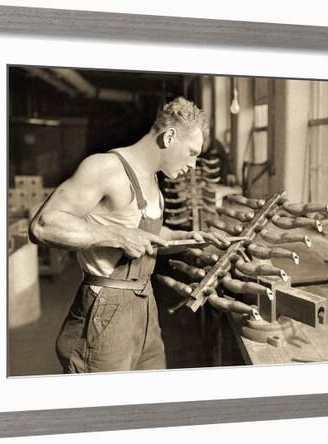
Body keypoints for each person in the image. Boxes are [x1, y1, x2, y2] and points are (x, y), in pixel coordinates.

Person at [29, 97, 228, 373]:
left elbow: (149, 235)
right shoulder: (105, 168)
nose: (193, 165)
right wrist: (118, 235)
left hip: (145, 305)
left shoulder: (153, 179)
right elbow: (43, 225)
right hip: (106, 311)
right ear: (169, 137)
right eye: (192, 152)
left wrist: (190, 237)